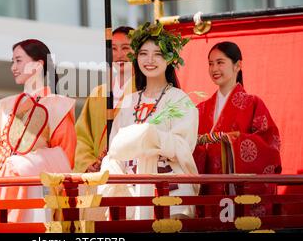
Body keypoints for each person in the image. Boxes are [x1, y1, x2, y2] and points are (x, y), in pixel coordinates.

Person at [99, 22, 199, 220]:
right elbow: (115, 150)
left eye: (158, 54)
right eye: (143, 53)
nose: (150, 60)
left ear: (170, 59)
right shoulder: (129, 101)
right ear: (136, 58)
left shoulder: (180, 100)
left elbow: (183, 146)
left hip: (169, 186)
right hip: (131, 188)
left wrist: (151, 137)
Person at [0, 39, 76, 223]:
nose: (13, 67)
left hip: (33, 176)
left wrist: (22, 163)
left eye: (19, 60)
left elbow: (65, 154)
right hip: (4, 174)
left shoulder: (57, 105)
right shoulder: (5, 106)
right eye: (13, 61)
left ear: (38, 64)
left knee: (19, 166)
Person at [193, 41, 281, 216]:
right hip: (208, 188)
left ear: (238, 65)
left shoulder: (253, 103)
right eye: (210, 64)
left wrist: (235, 140)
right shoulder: (200, 109)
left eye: (220, 62)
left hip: (238, 190)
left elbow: (269, 145)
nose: (214, 68)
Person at [74, 26, 135, 173]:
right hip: (97, 172)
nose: (119, 55)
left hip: (130, 169)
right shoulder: (98, 93)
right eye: (113, 49)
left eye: (125, 48)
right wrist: (88, 163)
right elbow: (81, 137)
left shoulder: (144, 90)